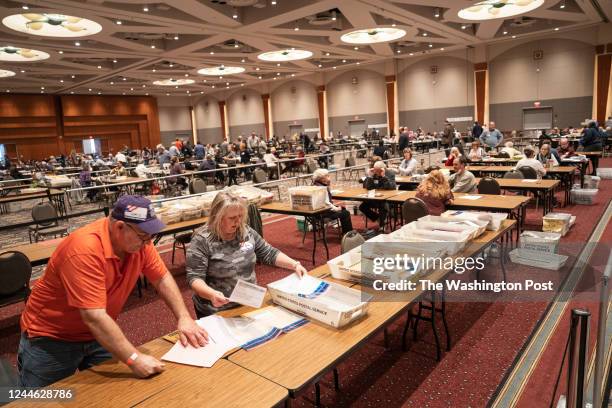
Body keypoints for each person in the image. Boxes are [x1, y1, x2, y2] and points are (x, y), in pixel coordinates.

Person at [18, 196, 208, 387]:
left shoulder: (140, 244)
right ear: (119, 227)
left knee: (110, 396)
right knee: (42, 400)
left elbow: (161, 278)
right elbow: (94, 317)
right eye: (143, 236)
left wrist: (184, 316)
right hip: (51, 338)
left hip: (98, 333)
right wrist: (134, 358)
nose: (148, 242)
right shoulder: (84, 250)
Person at [186, 192, 307, 317]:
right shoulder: (202, 240)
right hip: (217, 309)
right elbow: (194, 279)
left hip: (248, 302)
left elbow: (268, 252)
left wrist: (294, 264)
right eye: (232, 218)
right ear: (217, 217)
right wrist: (211, 294)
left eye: (240, 216)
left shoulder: (246, 231)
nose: (238, 221)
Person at [312, 169, 353, 235]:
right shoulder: (322, 188)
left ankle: (342, 227)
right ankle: (348, 234)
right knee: (345, 213)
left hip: (318, 211)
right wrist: (336, 209)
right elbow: (327, 203)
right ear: (322, 178)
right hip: (322, 213)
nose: (329, 177)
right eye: (327, 176)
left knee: (342, 209)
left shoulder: (315, 184)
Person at [359, 161, 395, 232]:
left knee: (383, 205)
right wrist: (369, 176)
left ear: (382, 169)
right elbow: (367, 187)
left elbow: (392, 187)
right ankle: (378, 218)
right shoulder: (374, 174)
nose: (376, 173)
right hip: (376, 198)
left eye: (377, 171)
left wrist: (383, 176)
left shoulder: (390, 173)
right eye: (375, 170)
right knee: (362, 206)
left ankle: (382, 225)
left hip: (387, 199)